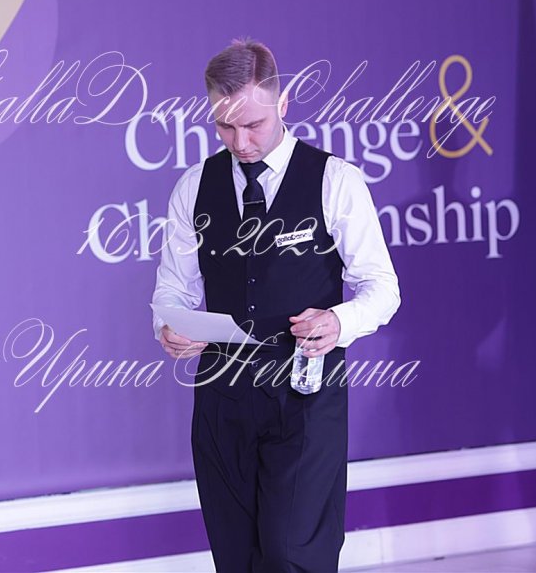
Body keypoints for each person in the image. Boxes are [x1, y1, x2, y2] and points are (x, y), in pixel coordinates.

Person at [152, 37, 400, 572]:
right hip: (221, 398)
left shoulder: (335, 180)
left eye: (254, 124)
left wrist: (339, 321)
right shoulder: (193, 187)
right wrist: (168, 326)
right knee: (235, 558)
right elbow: (173, 289)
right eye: (224, 126)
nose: (240, 141)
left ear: (283, 104)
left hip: (305, 397)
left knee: (293, 555)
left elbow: (383, 286)